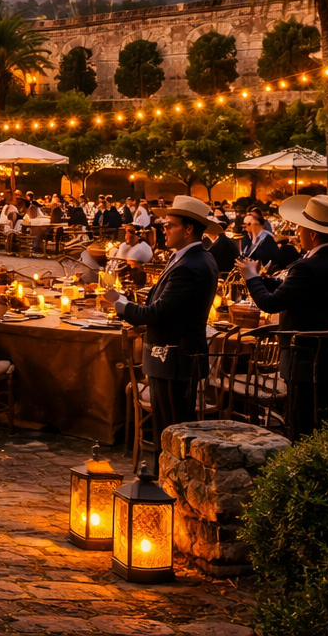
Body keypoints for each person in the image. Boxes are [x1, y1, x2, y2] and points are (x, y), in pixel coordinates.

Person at [101, 195, 219, 468]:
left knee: (171, 432)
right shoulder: (194, 258)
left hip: (173, 357)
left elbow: (156, 314)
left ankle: (168, 484)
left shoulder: (192, 264)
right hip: (175, 357)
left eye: (170, 225)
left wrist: (120, 303)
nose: (163, 229)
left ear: (188, 229)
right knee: (171, 430)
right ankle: (167, 479)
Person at [237, 195, 328, 438]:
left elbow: (269, 304)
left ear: (312, 233)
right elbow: (308, 289)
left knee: (301, 426)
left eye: (300, 228)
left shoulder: (308, 266)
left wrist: (251, 276)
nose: (297, 232)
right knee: (324, 423)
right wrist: (266, 280)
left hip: (307, 360)